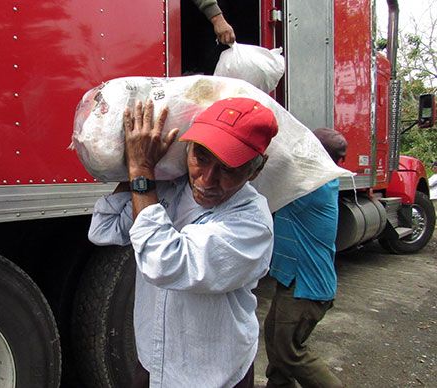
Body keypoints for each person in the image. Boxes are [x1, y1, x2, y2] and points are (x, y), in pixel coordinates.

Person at [88, 97, 279, 387]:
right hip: (155, 361)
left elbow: (165, 263)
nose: (207, 179)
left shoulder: (251, 223)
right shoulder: (171, 190)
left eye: (228, 169)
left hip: (211, 374)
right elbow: (105, 228)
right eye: (200, 157)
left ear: (255, 169)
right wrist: (139, 162)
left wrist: (141, 173)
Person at [263, 127, 348, 388]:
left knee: (289, 353)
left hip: (305, 289)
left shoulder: (311, 187)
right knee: (275, 341)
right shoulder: (320, 180)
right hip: (294, 283)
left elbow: (271, 169)